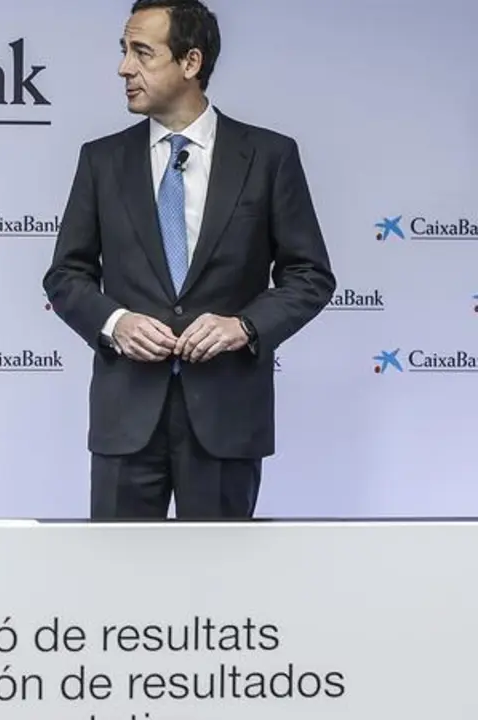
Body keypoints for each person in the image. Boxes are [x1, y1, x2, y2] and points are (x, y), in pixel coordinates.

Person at [42, 0, 334, 520]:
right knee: (114, 568)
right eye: (124, 51)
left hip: (226, 417)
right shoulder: (101, 160)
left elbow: (309, 275)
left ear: (190, 62)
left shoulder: (269, 157)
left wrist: (244, 326)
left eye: (142, 53)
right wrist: (116, 322)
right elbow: (66, 275)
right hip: (125, 421)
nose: (124, 68)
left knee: (221, 571)